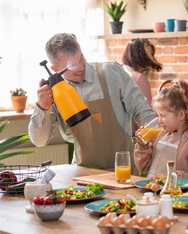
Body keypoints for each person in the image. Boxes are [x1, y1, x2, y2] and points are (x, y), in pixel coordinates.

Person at [28, 33, 155, 171]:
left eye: (81, 58)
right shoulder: (53, 93)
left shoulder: (111, 72)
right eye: (71, 65)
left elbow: (142, 111)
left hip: (124, 172)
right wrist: (42, 107)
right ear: (55, 69)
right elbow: (39, 141)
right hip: (82, 177)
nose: (81, 67)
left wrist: (160, 143)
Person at [134, 79, 188, 180]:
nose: (159, 121)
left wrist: (173, 176)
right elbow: (143, 168)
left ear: (181, 115)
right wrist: (142, 145)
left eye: (163, 116)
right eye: (158, 115)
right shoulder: (160, 135)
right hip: (153, 192)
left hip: (178, 195)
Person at [122, 38, 162, 108]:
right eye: (150, 55)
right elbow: (148, 111)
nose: (152, 58)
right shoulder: (139, 78)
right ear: (140, 56)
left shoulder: (123, 71)